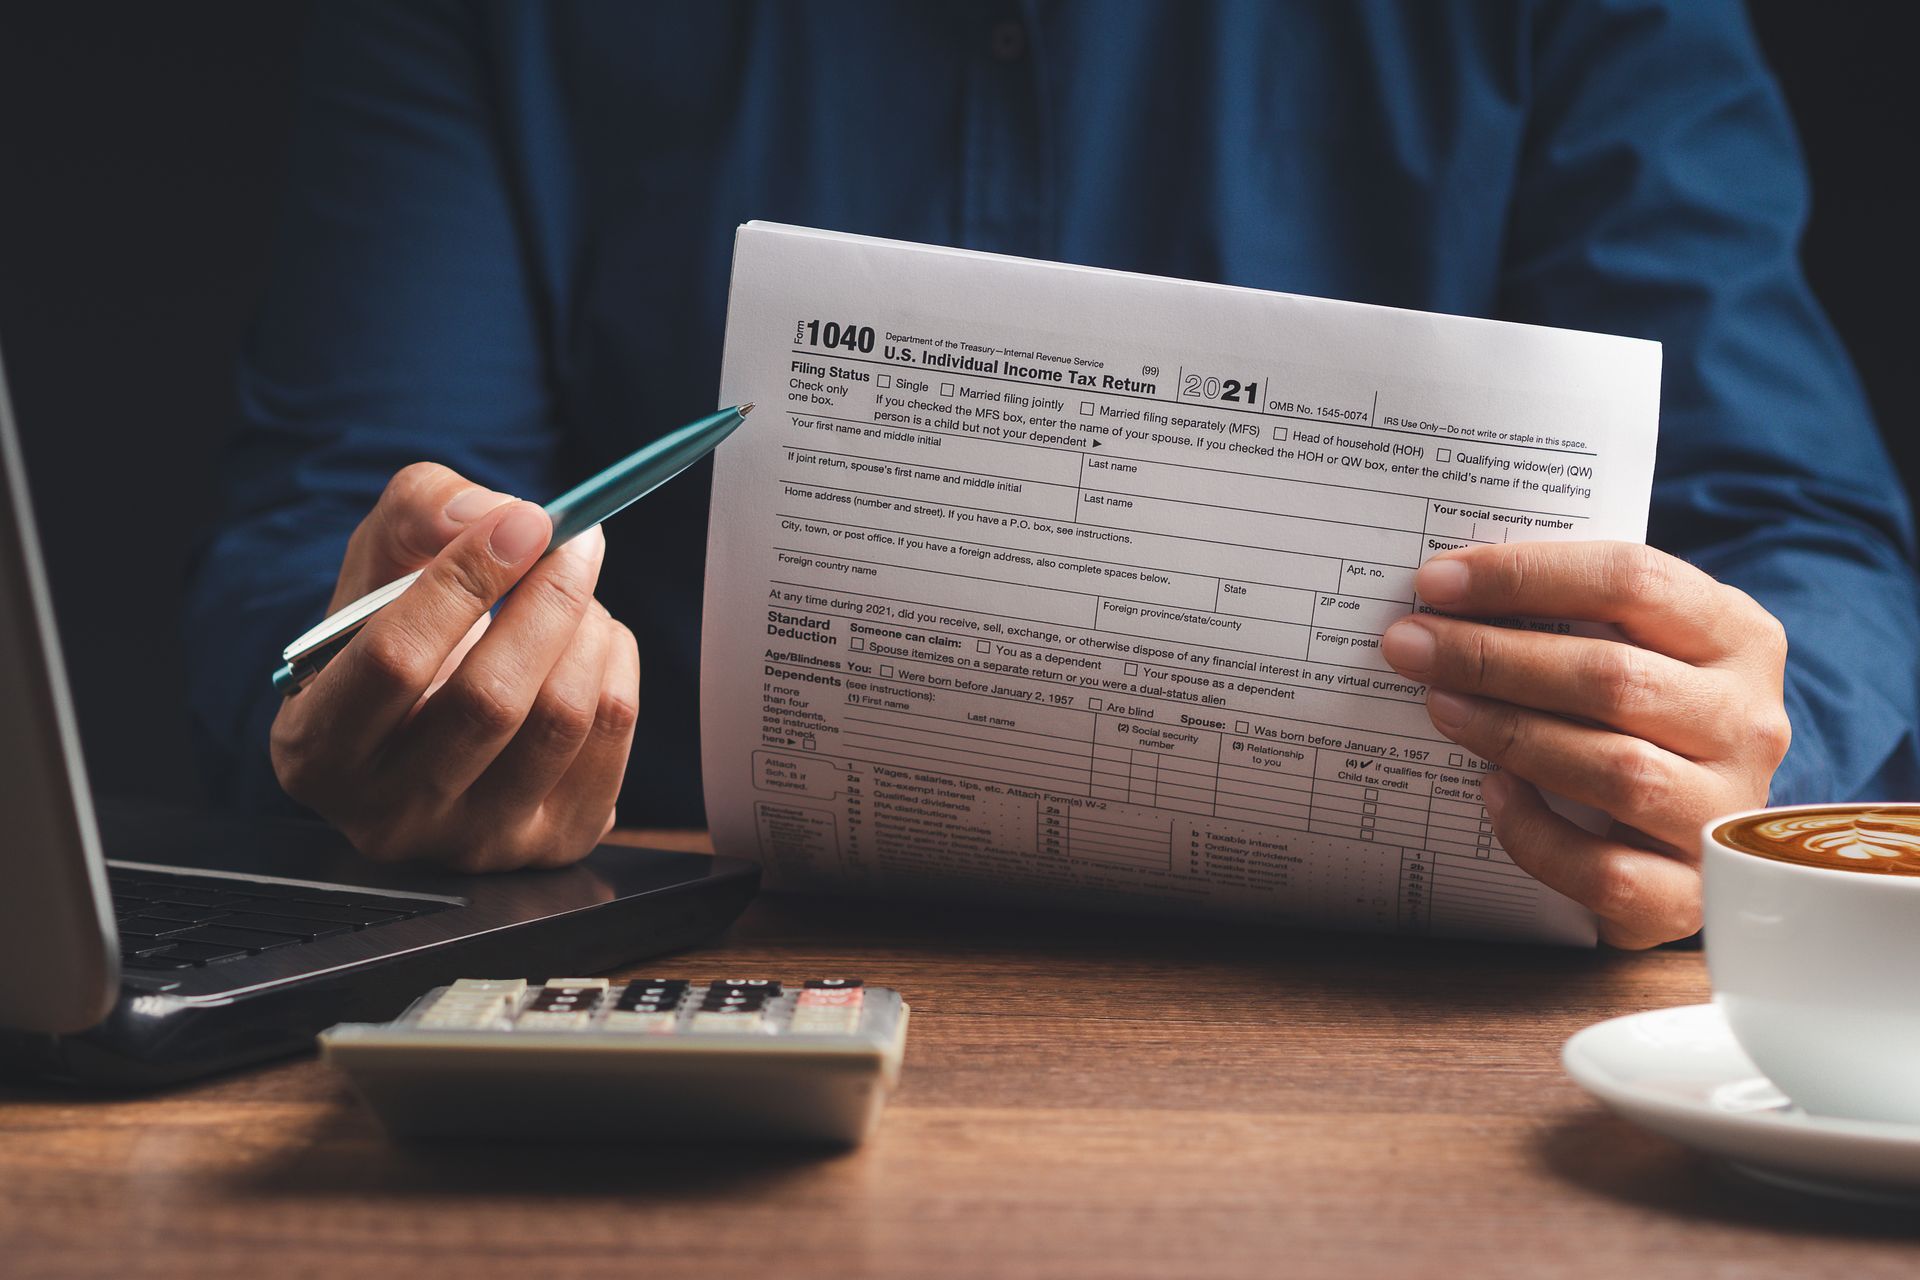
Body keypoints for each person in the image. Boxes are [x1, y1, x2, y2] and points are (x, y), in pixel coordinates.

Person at [186, 1, 1920, 948]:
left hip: (1406, 1051)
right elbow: (319, 530)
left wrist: (1733, 747)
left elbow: (1804, 534)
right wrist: (391, 699)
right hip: (678, 995)